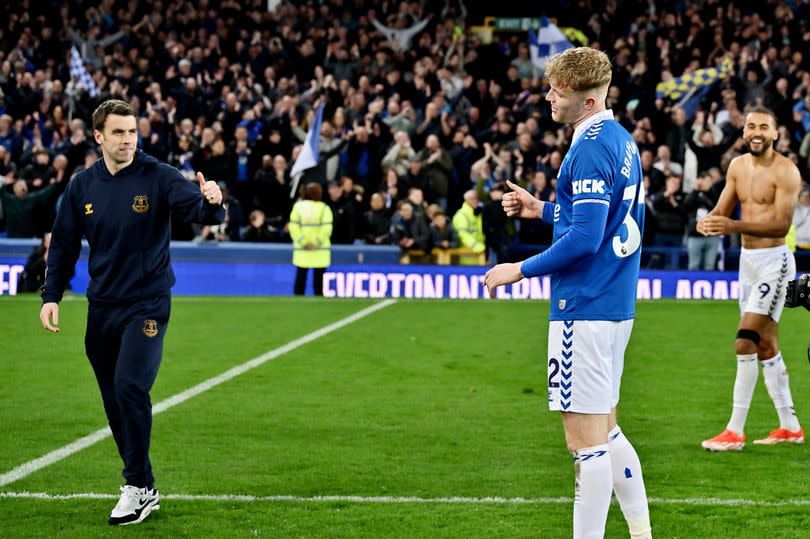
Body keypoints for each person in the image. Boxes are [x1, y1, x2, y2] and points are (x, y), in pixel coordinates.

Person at [483, 48, 651, 539]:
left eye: (559, 92)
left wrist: (520, 268)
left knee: (586, 446)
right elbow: (596, 219)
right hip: (613, 304)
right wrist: (542, 210)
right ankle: (641, 533)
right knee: (607, 431)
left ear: (590, 101)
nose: (549, 97)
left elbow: (585, 238)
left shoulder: (592, 146)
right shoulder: (620, 140)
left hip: (585, 304)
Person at [38, 99, 225, 526]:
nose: (128, 140)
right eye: (119, 133)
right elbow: (64, 243)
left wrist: (212, 201)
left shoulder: (159, 175)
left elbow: (195, 209)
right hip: (101, 306)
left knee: (129, 387)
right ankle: (144, 485)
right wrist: (51, 295)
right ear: (99, 137)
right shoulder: (82, 186)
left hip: (148, 303)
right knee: (112, 400)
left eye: (132, 132)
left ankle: (137, 486)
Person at [699, 106, 804, 451]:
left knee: (745, 340)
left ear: (776, 134)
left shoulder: (787, 171)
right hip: (748, 263)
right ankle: (789, 427)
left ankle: (734, 431)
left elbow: (781, 226)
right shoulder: (737, 167)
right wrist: (710, 222)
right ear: (743, 132)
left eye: (764, 127)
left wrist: (732, 226)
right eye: (750, 126)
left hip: (775, 263)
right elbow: (722, 211)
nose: (756, 132)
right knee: (765, 346)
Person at [288, 182, 333, 296]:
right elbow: (326, 229)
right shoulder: (324, 208)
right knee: (319, 282)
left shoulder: (298, 207)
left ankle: (297, 303)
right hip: (320, 250)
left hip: (302, 250)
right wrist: (316, 243)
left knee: (300, 278)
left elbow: (294, 228)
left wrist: (304, 243)